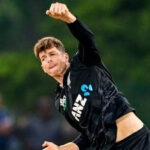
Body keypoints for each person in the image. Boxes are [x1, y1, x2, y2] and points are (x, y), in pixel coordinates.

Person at [33, 2, 150, 150]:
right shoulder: (61, 101)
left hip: (136, 142)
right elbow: (88, 136)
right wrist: (60, 149)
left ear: (66, 57)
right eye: (43, 58)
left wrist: (69, 18)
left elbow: (87, 39)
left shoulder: (83, 64)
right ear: (43, 68)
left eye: (52, 54)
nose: (48, 59)